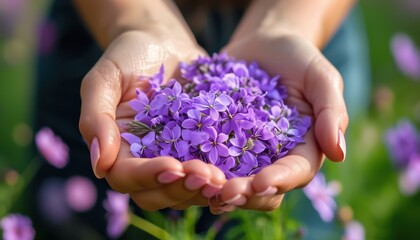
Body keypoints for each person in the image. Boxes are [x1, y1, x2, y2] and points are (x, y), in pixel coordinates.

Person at [33, 0, 369, 238]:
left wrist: (287, 25)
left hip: (309, 14)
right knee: (75, 225)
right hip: (106, 14)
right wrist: (138, 21)